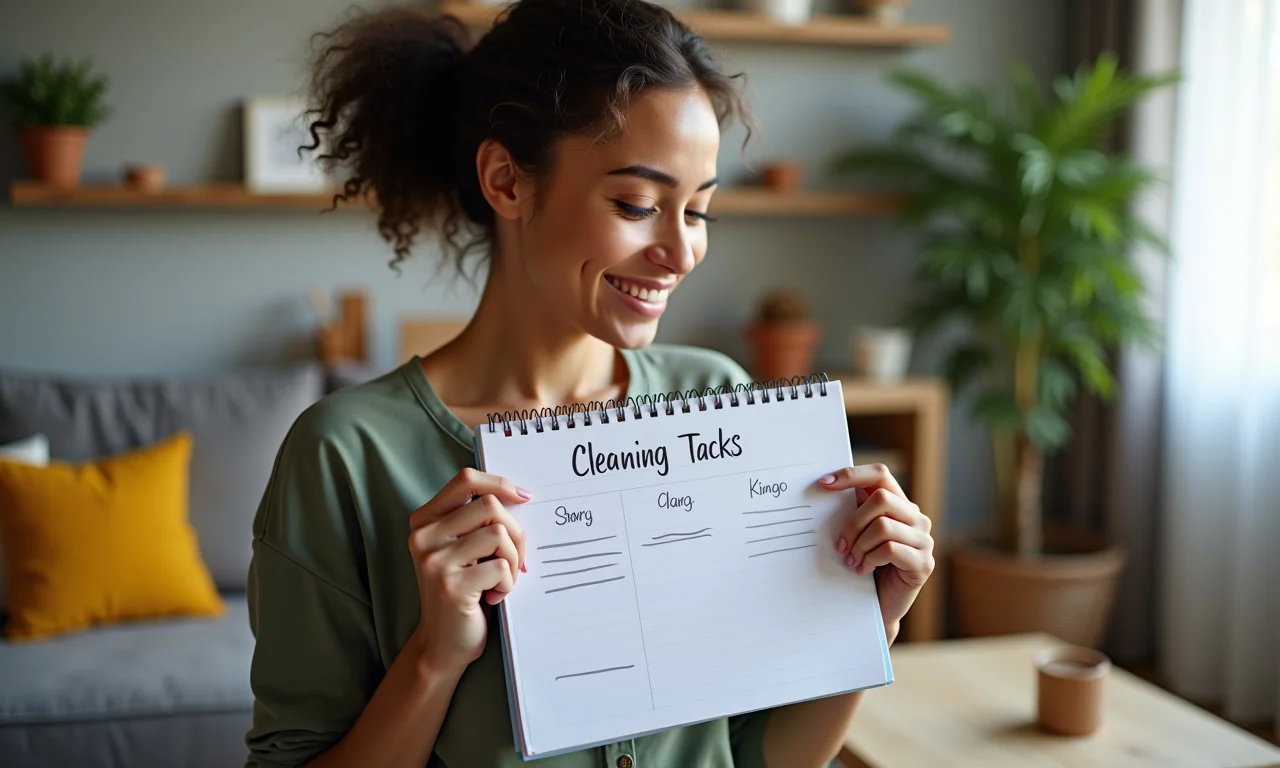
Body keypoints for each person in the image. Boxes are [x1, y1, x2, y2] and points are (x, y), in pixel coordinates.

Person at [244, 0, 935, 765]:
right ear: (506, 181)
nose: (681, 252)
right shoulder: (346, 455)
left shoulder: (714, 400)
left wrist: (867, 621)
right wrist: (436, 657)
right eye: (638, 204)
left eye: (699, 209)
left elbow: (755, 754)